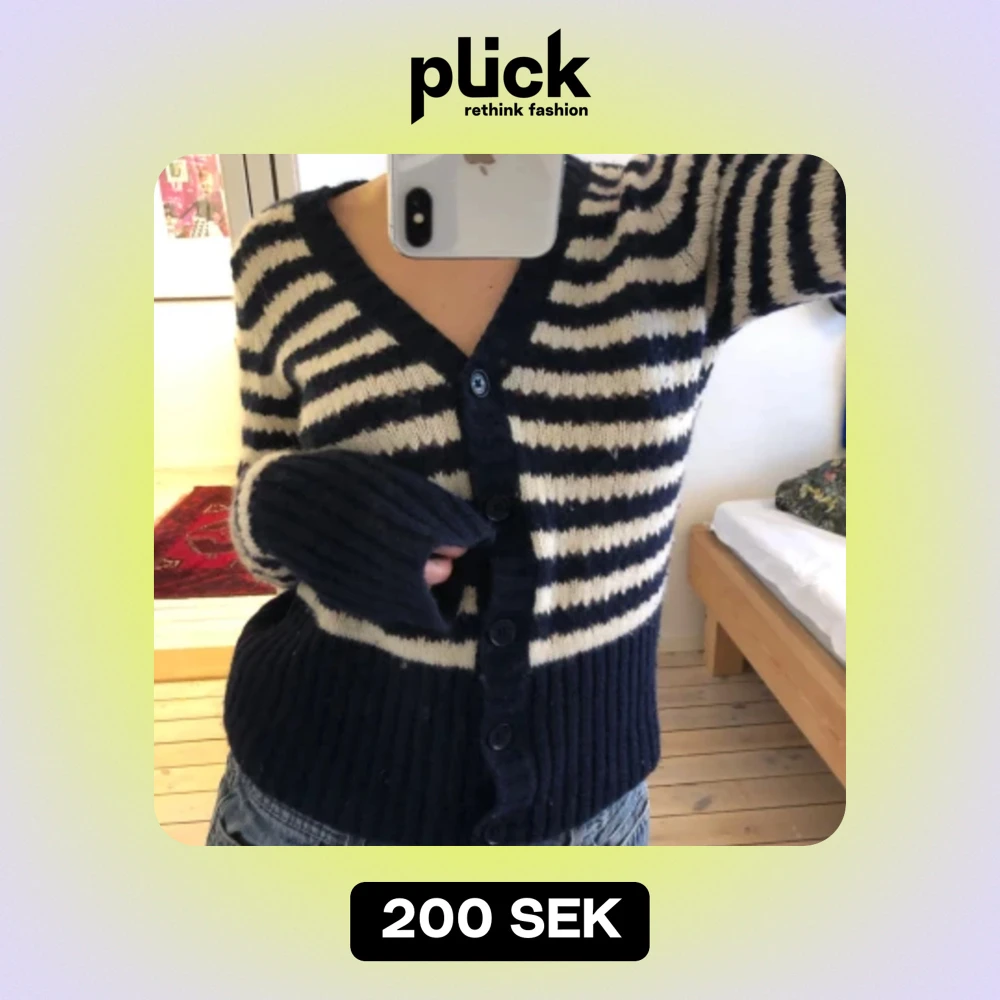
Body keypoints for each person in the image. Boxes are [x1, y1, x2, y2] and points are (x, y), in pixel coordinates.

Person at [206, 154, 846, 846]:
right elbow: (257, 526)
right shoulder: (279, 252)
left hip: (583, 825)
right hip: (303, 813)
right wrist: (291, 507)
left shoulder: (679, 220)